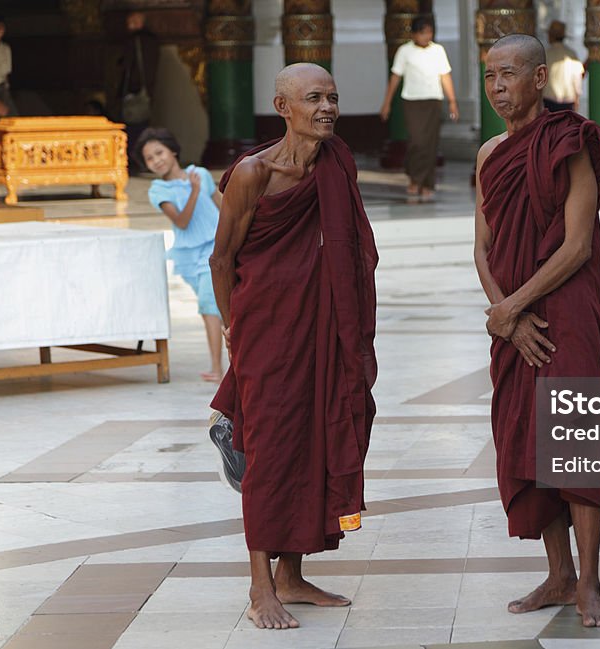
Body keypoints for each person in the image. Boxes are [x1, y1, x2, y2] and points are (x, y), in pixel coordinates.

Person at [209, 63, 379, 630]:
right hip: (267, 334)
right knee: (269, 456)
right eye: (314, 98)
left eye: (332, 97)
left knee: (313, 446)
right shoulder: (253, 174)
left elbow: (354, 248)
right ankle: (261, 587)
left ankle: (292, 575)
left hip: (325, 330)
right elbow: (221, 258)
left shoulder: (336, 163)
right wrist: (236, 328)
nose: (327, 108)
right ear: (284, 107)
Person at [474, 34, 600, 628]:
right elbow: (481, 247)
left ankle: (589, 582)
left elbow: (577, 245)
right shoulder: (488, 154)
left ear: (539, 79)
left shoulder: (570, 141)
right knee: (525, 437)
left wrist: (515, 308)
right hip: (516, 320)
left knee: (574, 438)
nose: (498, 87)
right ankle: (557, 574)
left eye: (508, 74)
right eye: (489, 77)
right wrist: (505, 315)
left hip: (567, 311)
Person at [138, 128, 225, 382]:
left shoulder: (201, 174)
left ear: (172, 150)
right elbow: (182, 222)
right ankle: (220, 367)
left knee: (211, 306)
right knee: (213, 307)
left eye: (159, 153)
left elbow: (223, 206)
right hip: (191, 256)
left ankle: (219, 368)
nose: (157, 160)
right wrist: (194, 192)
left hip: (217, 248)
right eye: (150, 158)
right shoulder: (158, 191)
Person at [379, 16, 459, 201]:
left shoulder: (438, 50)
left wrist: (452, 101)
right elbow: (395, 78)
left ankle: (426, 183)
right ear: (414, 34)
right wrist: (387, 103)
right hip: (412, 101)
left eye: (429, 32)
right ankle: (414, 177)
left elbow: (445, 76)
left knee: (430, 143)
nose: (426, 36)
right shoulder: (404, 51)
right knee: (417, 141)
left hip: (433, 100)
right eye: (422, 32)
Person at [120, 11, 159, 167]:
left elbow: (130, 67)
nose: (128, 26)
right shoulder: (151, 41)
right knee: (142, 128)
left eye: (131, 22)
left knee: (133, 129)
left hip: (135, 91)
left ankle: (134, 160)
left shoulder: (136, 41)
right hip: (147, 91)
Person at [543, 20, 584, 112]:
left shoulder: (545, 54)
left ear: (551, 36)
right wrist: (577, 99)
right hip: (568, 102)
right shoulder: (571, 54)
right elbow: (577, 79)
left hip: (548, 101)